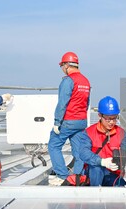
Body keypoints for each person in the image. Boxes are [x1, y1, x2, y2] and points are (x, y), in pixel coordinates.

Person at [48, 52, 90, 186]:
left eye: (62, 65)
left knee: (54, 145)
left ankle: (62, 176)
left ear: (66, 65)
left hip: (68, 121)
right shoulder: (86, 81)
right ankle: (78, 177)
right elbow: (87, 103)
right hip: (81, 121)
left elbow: (62, 104)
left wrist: (57, 122)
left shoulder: (68, 81)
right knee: (79, 151)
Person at [79, 96, 126, 186]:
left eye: (114, 118)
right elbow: (83, 152)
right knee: (96, 168)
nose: (112, 122)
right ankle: (95, 196)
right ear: (100, 115)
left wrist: (122, 159)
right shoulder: (89, 132)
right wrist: (102, 162)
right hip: (94, 174)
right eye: (108, 118)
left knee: (122, 188)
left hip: (113, 173)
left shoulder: (122, 134)